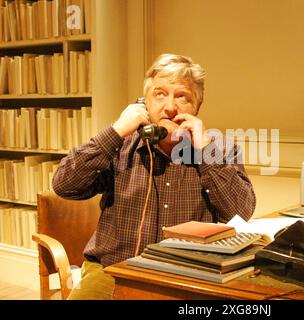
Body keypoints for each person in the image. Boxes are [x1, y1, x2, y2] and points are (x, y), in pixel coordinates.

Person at [52, 53, 256, 299]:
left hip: (189, 274)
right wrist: (116, 131)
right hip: (112, 270)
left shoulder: (219, 149)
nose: (170, 108)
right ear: (144, 103)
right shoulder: (120, 144)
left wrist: (205, 152)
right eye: (160, 94)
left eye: (182, 97)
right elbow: (64, 185)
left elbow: (240, 213)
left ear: (197, 107)